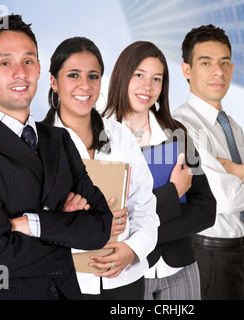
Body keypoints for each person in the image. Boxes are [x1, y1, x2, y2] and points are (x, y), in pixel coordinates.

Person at [0, 15, 113, 300]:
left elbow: (99, 229)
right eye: (5, 63)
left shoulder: (59, 139)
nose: (20, 72)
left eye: (28, 61)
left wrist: (30, 225)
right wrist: (66, 233)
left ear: (40, 68)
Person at [42, 36, 159, 300]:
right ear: (53, 82)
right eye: (73, 75)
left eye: (93, 76)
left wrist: (133, 249)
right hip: (65, 284)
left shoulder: (121, 135)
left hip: (124, 281)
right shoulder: (36, 144)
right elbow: (25, 224)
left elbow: (145, 207)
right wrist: (72, 222)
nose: (85, 85)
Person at [102, 41, 216, 300]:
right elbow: (109, 220)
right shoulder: (100, 138)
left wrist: (141, 234)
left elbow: (206, 210)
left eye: (157, 78)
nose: (148, 87)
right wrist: (173, 192)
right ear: (122, 77)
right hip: (129, 273)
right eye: (139, 75)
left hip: (181, 269)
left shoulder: (178, 135)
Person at [172, 24, 244, 300]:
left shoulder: (229, 125)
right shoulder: (182, 126)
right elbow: (225, 199)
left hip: (237, 254)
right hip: (207, 257)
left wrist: (240, 171)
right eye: (205, 63)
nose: (218, 71)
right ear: (187, 70)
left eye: (224, 63)